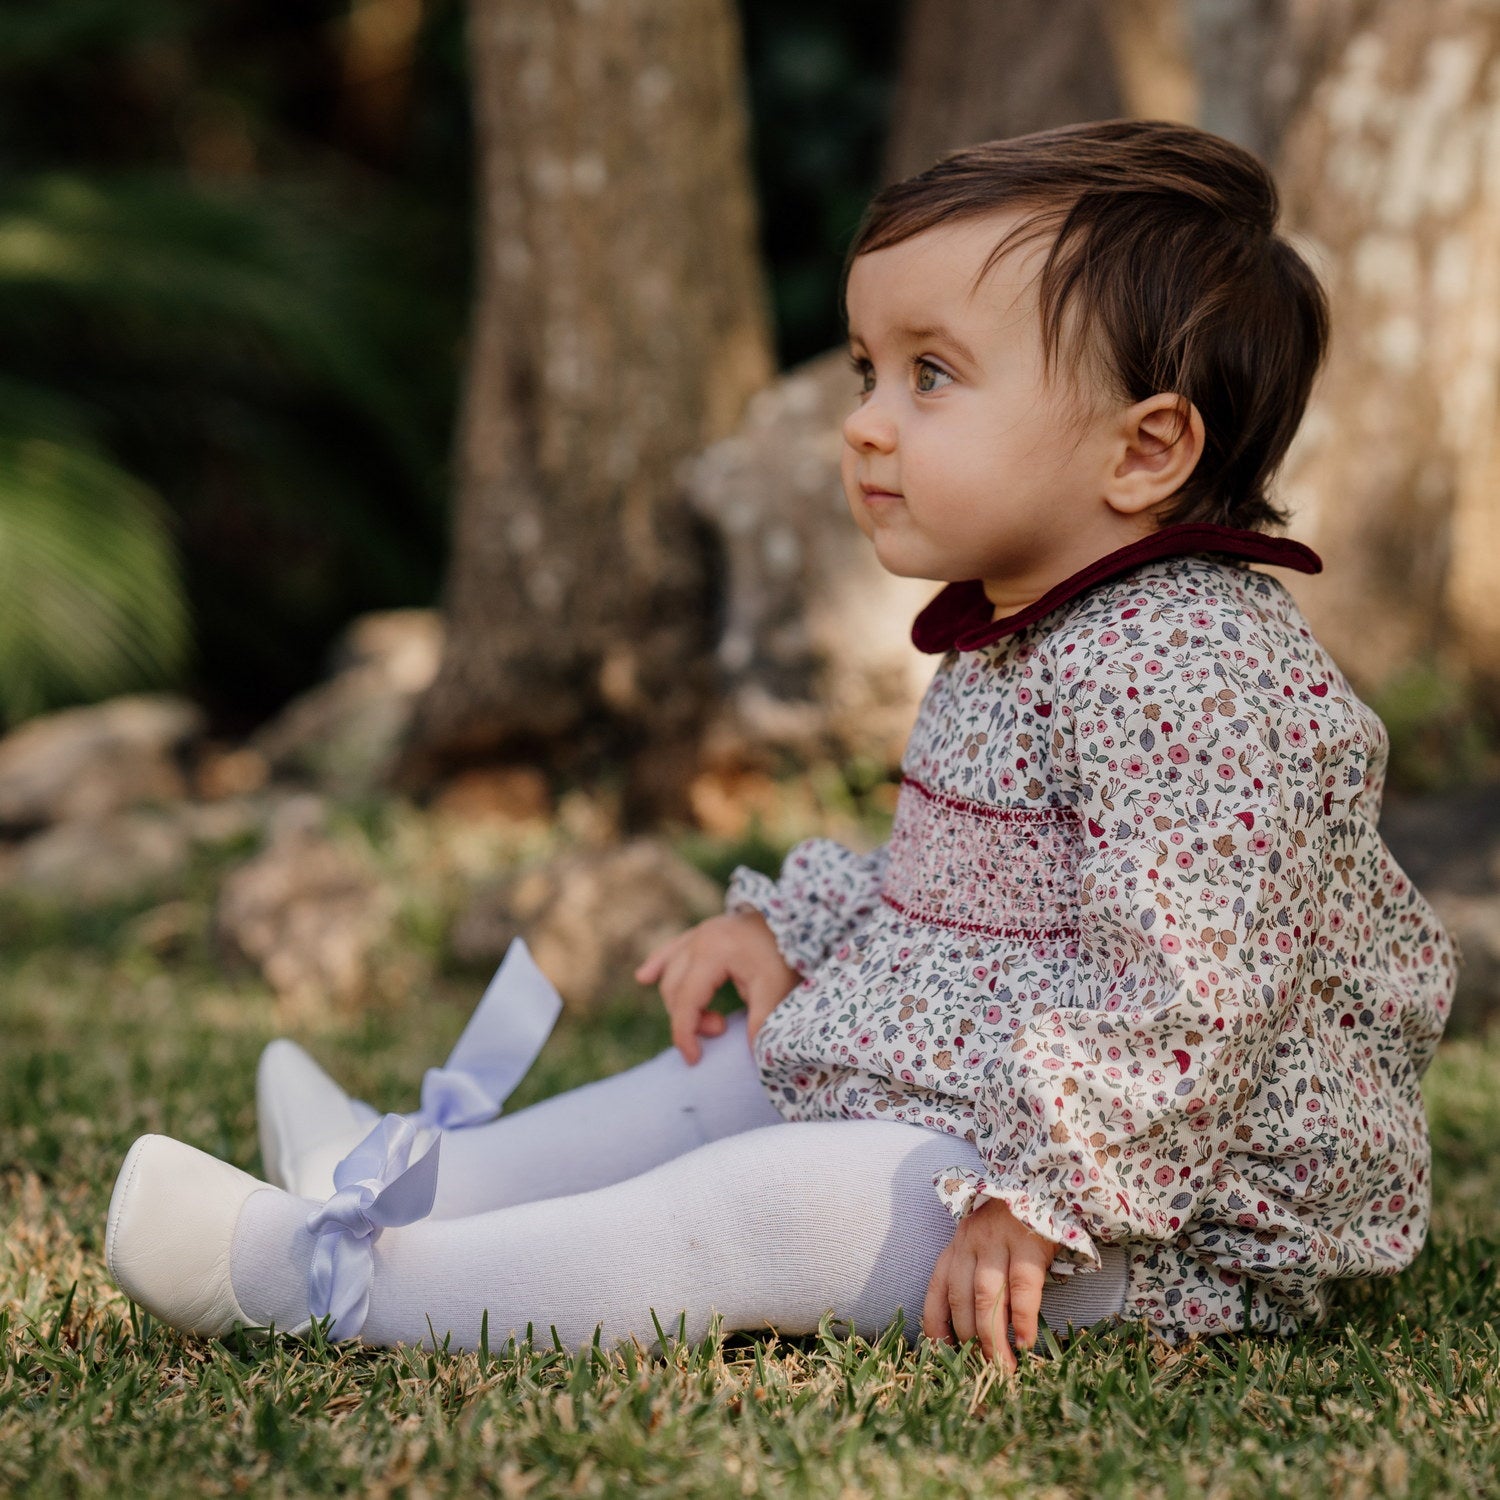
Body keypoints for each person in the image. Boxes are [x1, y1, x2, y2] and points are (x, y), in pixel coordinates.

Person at [104, 118, 1457, 1370]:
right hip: (1012, 1109)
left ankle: (346, 1287)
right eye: (871, 370)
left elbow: (1200, 994)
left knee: (766, 1203)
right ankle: (402, 1175)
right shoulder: (1032, 627)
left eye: (932, 375)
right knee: (732, 1070)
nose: (864, 421)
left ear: (1145, 449)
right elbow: (976, 892)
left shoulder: (1193, 669)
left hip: (1157, 1217)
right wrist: (801, 930)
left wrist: (1048, 1193)